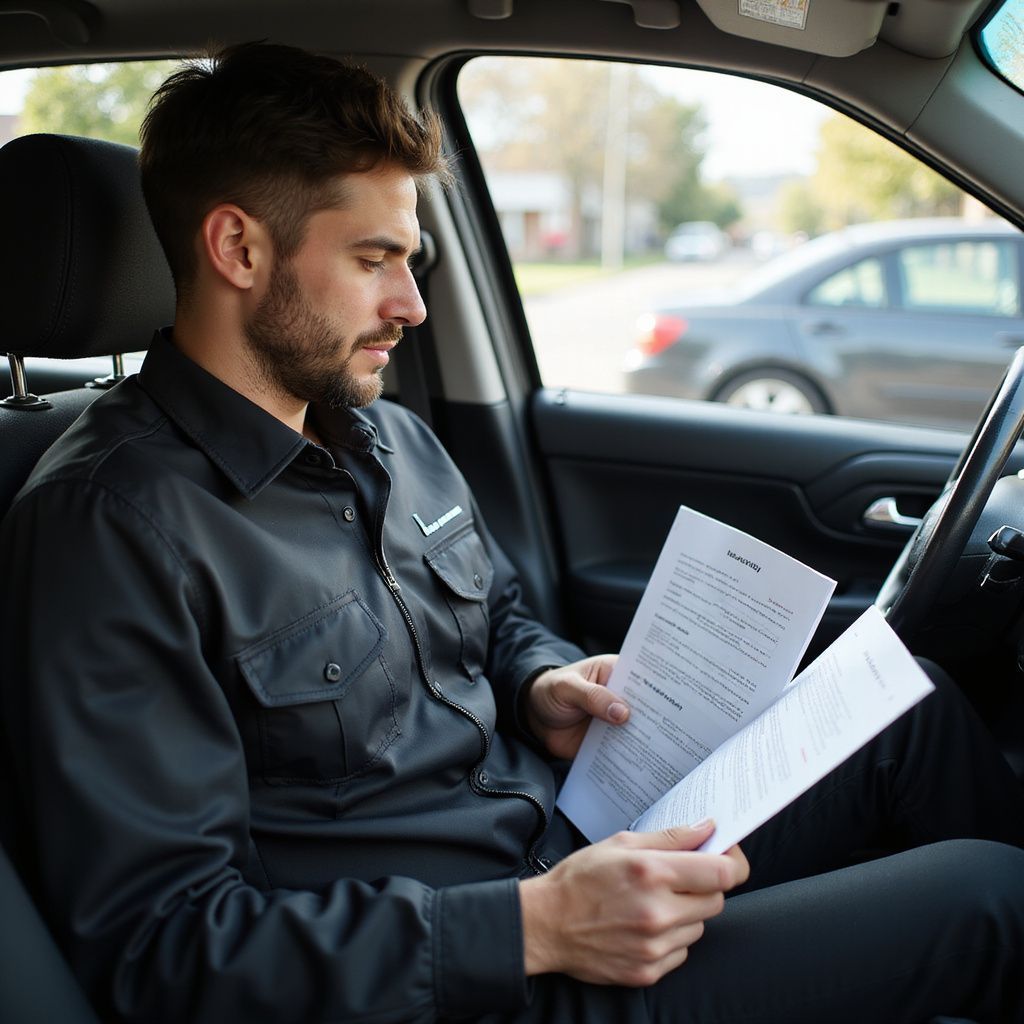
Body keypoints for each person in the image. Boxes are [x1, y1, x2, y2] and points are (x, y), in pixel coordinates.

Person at [2, 41, 1024, 1024]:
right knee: (989, 896)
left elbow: (494, 618)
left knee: (910, 709)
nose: (410, 303)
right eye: (373, 259)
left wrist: (541, 687)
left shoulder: (388, 438)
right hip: (478, 979)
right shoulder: (111, 528)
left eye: (411, 259)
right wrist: (529, 927)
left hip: (570, 844)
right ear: (236, 247)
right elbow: (163, 951)